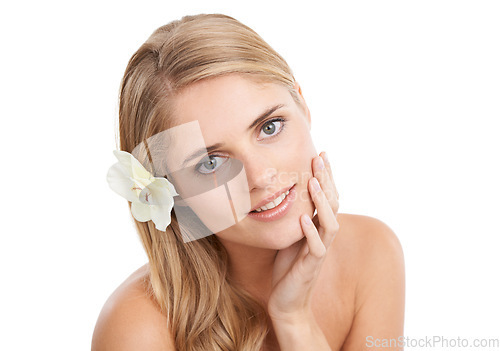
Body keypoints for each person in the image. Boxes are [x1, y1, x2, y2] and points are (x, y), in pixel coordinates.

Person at [91, 13, 405, 351]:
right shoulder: (137, 328)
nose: (260, 176)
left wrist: (293, 318)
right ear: (167, 189)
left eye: (270, 127)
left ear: (303, 105)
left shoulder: (371, 252)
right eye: (210, 162)